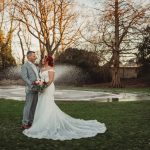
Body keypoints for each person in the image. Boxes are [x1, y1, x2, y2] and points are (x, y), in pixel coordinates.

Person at [23, 55, 106, 140]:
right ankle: (41, 123)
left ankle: (48, 123)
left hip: (48, 88)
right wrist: (39, 85)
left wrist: (43, 86)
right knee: (41, 104)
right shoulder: (41, 69)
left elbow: (51, 80)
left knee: (48, 104)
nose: (43, 60)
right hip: (42, 89)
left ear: (48, 60)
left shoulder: (51, 68)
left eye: (44, 59)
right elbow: (40, 79)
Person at [21, 51, 40, 129]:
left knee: (34, 106)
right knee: (28, 106)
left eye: (35, 56)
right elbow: (24, 77)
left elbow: (38, 77)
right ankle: (24, 123)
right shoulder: (25, 66)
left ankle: (31, 122)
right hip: (30, 89)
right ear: (29, 57)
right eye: (33, 56)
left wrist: (40, 84)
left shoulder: (36, 66)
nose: (35, 57)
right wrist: (32, 85)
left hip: (37, 89)